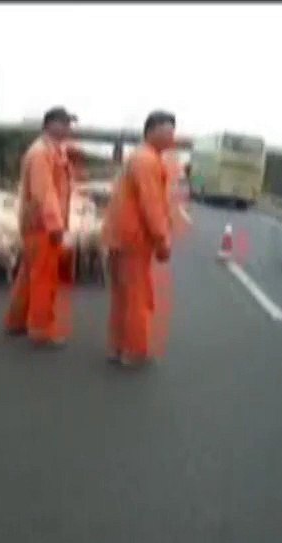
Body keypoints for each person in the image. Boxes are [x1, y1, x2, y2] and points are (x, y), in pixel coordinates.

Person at [104, 110, 178, 367]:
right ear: (151, 130)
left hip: (120, 236)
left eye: (173, 129)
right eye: (167, 129)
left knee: (122, 296)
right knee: (137, 296)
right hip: (134, 238)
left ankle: (117, 347)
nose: (172, 135)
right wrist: (162, 239)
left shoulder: (139, 156)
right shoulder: (147, 160)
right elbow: (151, 204)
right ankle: (134, 351)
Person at [4, 106, 76, 347]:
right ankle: (41, 329)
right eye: (64, 123)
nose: (68, 128)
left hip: (36, 223)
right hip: (42, 226)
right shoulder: (41, 154)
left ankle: (17, 320)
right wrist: (55, 226)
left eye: (69, 123)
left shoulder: (51, 151)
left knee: (29, 273)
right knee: (44, 277)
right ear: (50, 125)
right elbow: (44, 192)